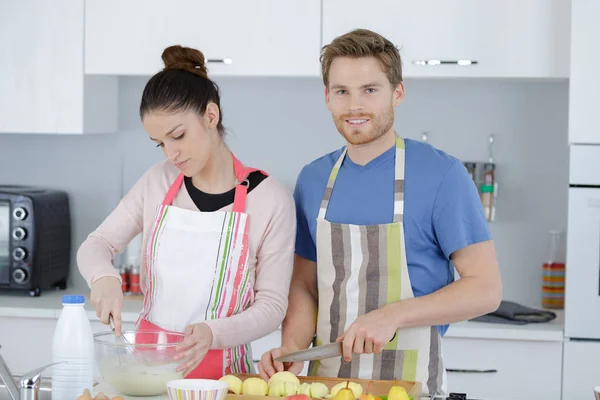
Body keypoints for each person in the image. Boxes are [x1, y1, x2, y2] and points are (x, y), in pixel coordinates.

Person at [258, 29, 502, 396]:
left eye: (370, 90)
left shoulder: (443, 176)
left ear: (397, 93)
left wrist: (392, 315)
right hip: (325, 383)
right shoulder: (313, 179)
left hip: (412, 386)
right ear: (327, 98)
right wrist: (293, 348)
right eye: (342, 91)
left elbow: (486, 289)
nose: (354, 106)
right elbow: (304, 284)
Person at [77, 45, 296, 379]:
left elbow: (272, 307)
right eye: (160, 143)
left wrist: (213, 333)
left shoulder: (271, 200)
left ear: (211, 116)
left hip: (225, 378)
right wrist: (104, 278)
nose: (172, 153)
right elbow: (98, 243)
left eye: (178, 135)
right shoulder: (157, 181)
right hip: (147, 374)